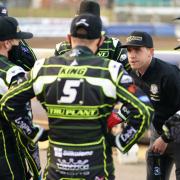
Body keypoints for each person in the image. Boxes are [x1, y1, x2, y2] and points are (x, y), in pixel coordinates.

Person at [0, 14, 153, 180]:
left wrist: (33, 132)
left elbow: (8, 103)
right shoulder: (111, 70)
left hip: (57, 169)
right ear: (100, 41)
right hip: (95, 169)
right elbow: (144, 108)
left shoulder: (43, 67)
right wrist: (122, 141)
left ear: (68, 38)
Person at [120, 30, 180, 180]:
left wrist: (165, 138)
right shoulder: (132, 74)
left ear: (150, 52)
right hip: (158, 135)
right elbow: (133, 105)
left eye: (137, 50)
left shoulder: (169, 75)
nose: (132, 55)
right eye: (129, 50)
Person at [0, 4, 42, 180]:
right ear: (7, 42)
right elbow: (25, 131)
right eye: (17, 39)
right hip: (8, 161)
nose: (19, 44)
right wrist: (36, 170)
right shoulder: (13, 74)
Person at [55, 0, 131, 72]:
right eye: (83, 18)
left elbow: (131, 72)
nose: (87, 22)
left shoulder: (113, 45)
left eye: (91, 19)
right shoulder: (62, 48)